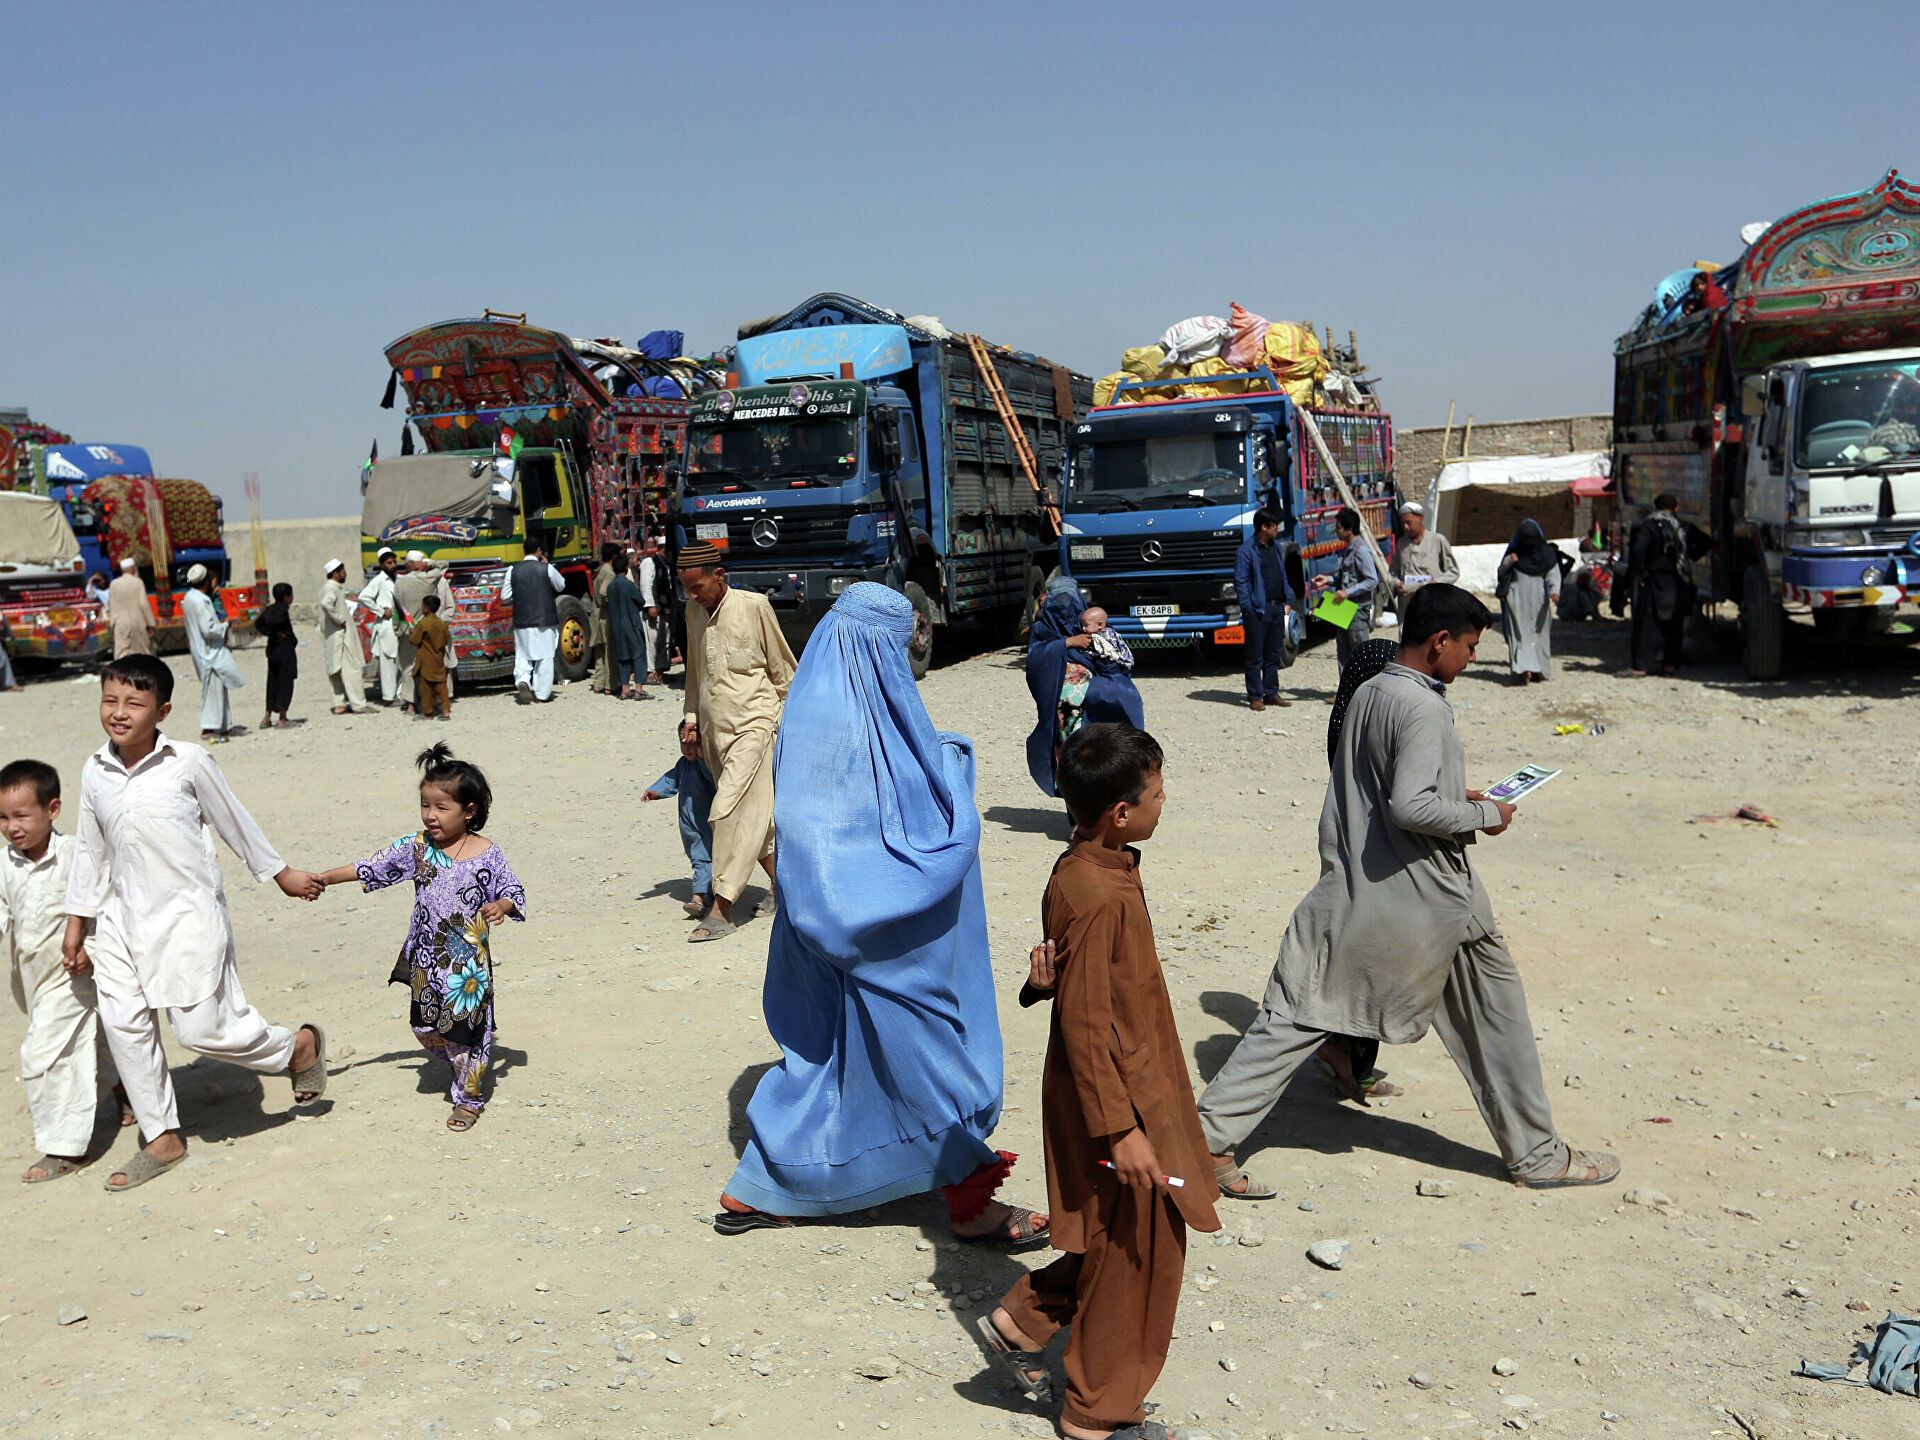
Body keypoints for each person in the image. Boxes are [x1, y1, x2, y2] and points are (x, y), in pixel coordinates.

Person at [1198, 585, 1619, 1199]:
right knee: (1495, 1025)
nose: (1473, 659)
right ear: (1440, 641)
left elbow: (1389, 787)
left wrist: (1460, 797)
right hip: (1427, 899)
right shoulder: (1422, 706)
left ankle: (1205, 1138)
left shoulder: (1371, 689)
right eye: (1470, 646)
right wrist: (1484, 817)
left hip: (1367, 893)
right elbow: (1409, 804)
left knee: (1298, 1011)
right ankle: (1539, 1156)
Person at [714, 583, 1048, 1248]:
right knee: (928, 1059)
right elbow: (848, 845)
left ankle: (761, 1188)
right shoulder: (843, 729)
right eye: (896, 647)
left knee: (826, 1069)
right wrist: (950, 815)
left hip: (823, 936)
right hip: (865, 935)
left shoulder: (819, 710)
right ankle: (972, 1201)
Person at [977, 724, 1219, 1440]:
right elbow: (1086, 1024)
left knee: (1115, 1235)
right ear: (1120, 812)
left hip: (1123, 1084)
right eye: (1157, 793)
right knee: (1137, 1250)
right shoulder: (1100, 893)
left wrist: (1038, 985)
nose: (1163, 802)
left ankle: (1023, 1322)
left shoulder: (1081, 867)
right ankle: (1097, 1412)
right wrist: (1122, 1129)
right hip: (1117, 1098)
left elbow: (1073, 981)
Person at [62, 654, 328, 1192]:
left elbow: (233, 819)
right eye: (110, 700)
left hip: (185, 916)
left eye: (134, 704)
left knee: (201, 1030)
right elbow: (90, 851)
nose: (119, 713)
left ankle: (296, 1048)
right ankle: (162, 1137)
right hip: (116, 921)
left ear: (161, 710)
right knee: (126, 1028)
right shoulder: (96, 769)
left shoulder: (188, 761)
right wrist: (77, 922)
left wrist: (278, 873)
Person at [317, 745, 523, 1131]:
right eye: (425, 805)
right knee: (426, 1028)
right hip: (427, 960)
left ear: (470, 810)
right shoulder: (417, 848)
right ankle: (465, 1063)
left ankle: (469, 1097)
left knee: (465, 1031)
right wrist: (326, 878)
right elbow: (370, 866)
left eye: (442, 808)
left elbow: (512, 888)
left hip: (468, 968)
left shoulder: (487, 854)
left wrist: (504, 906)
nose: (431, 815)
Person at [2, 758, 128, 1183]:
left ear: (52, 809)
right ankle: (127, 1089)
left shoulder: (77, 854)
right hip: (33, 981)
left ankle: (65, 1147)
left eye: (21, 815)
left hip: (76, 976)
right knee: (94, 1041)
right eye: (2, 817)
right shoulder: (6, 863)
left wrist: (90, 948)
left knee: (42, 1054)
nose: (11, 826)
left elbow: (107, 908)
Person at [677, 541, 794, 940]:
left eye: (697, 587)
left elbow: (783, 672)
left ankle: (722, 909)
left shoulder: (754, 607)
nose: (692, 595)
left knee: (726, 811)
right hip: (714, 733)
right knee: (756, 822)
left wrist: (795, 730)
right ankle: (787, 891)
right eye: (686, 588)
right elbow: (694, 673)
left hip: (756, 726)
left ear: (718, 576)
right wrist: (689, 721)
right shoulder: (693, 612)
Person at [1025, 583, 1143, 797]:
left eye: (1069, 602)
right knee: (1073, 764)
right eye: (1058, 602)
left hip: (1095, 714)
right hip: (1064, 719)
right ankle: (1079, 818)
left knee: (1101, 760)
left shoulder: (1095, 630)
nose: (1064, 608)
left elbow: (1115, 667)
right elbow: (1035, 660)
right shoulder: (1044, 630)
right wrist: (1066, 643)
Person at [1625, 493, 1709, 677]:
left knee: (1649, 623)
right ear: (1676, 507)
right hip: (1679, 580)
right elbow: (1707, 542)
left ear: (1655, 507)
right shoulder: (1683, 527)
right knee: (1674, 623)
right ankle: (1670, 664)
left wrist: (1641, 572)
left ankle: (1641, 666)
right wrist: (1689, 556)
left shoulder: (1649, 526)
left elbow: (1638, 549)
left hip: (1655, 580)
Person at [643, 729, 716, 919]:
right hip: (687, 824)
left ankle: (697, 899)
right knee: (698, 856)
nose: (688, 749)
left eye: (694, 745)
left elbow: (715, 780)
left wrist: (703, 759)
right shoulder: (682, 765)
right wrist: (656, 791)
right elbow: (671, 779)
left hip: (704, 823)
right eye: (684, 745)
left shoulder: (706, 766)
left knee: (702, 858)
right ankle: (709, 892)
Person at [1234, 507, 1295, 711]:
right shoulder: (1246, 550)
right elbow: (1241, 581)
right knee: (1254, 656)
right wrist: (1248, 608)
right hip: (1258, 611)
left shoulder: (1275, 547)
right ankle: (1255, 695)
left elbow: (1282, 574)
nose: (1277, 529)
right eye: (1274, 526)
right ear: (1263, 527)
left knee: (1273, 653)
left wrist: (1288, 598)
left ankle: (1271, 692)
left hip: (1277, 608)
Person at [1311, 507, 1379, 675]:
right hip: (1343, 609)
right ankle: (1346, 693)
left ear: (1349, 530)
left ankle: (1363, 694)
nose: (1336, 530)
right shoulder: (1346, 549)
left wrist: (1348, 593)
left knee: (1360, 655)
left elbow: (1372, 580)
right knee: (1344, 654)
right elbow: (1348, 576)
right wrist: (1329, 580)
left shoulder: (1361, 549)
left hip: (1357, 610)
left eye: (1339, 527)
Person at [182, 563, 245, 741]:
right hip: (209, 651)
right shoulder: (200, 601)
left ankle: (222, 726)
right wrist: (226, 625)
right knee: (214, 690)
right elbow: (209, 629)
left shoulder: (189, 597)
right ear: (205, 581)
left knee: (215, 688)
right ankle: (212, 728)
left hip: (203, 650)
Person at [1497, 519, 1563, 683]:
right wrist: (1509, 561)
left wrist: (1554, 591)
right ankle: (1521, 671)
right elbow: (1501, 572)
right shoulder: (1514, 552)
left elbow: (1553, 574)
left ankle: (1539, 671)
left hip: (1540, 600)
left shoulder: (1547, 554)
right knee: (1519, 634)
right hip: (1517, 598)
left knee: (1539, 634)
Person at [504, 538, 565, 704]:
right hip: (545, 619)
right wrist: (547, 565)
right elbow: (561, 586)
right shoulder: (547, 569)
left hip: (522, 619)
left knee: (523, 654)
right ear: (539, 551)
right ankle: (542, 694)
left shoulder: (512, 570)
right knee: (545, 656)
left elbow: (505, 596)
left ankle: (523, 679)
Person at [393, 551, 452, 714]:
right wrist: (428, 563)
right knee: (431, 667)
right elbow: (444, 564)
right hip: (429, 630)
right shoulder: (429, 577)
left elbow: (397, 609)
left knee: (408, 668)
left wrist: (397, 630)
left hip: (408, 631)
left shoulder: (400, 583)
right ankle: (437, 704)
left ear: (409, 564)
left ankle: (411, 705)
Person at [318, 559, 371, 715]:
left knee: (335, 670)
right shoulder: (331, 589)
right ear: (336, 573)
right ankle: (358, 704)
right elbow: (326, 604)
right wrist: (340, 619)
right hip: (341, 636)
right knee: (352, 669)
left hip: (332, 636)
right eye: (343, 571)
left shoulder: (327, 588)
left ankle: (339, 704)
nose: (345, 574)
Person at [605, 552, 652, 700]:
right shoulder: (628, 584)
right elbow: (641, 601)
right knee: (638, 655)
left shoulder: (611, 586)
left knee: (622, 657)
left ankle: (625, 688)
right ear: (626, 567)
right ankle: (638, 689)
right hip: (631, 624)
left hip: (616, 626)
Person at [255, 582, 300, 730]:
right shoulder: (281, 610)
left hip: (273, 650)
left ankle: (267, 716)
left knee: (272, 682)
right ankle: (282, 718)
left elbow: (259, 623)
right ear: (287, 597)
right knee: (285, 682)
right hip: (284, 650)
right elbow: (275, 623)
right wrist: (279, 633)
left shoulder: (269, 609)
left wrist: (271, 634)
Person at [359, 547, 402, 705]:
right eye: (389, 563)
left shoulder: (395, 579)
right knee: (388, 662)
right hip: (386, 625)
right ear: (382, 565)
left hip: (397, 624)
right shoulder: (378, 580)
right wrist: (381, 611)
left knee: (399, 661)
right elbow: (364, 597)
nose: (393, 565)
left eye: (394, 562)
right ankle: (389, 697)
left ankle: (399, 694)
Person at [1390, 502, 1459, 597]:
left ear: (1420, 519)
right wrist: (1397, 584)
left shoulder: (1438, 541)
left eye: (1408, 522)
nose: (1405, 527)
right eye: (1403, 523)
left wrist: (1436, 583)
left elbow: (1453, 572)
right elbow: (1393, 573)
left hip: (1433, 601)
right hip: (1409, 603)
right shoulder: (1401, 544)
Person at [411, 594, 453, 720]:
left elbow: (414, 640)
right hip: (438, 659)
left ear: (426, 608)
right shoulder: (441, 624)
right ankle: (445, 711)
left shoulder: (423, 623)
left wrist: (412, 633)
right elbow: (446, 639)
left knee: (426, 688)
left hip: (426, 661)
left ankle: (427, 713)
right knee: (441, 686)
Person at [107, 557, 154, 660]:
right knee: (142, 653)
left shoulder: (114, 584)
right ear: (133, 568)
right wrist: (150, 624)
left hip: (120, 623)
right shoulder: (137, 582)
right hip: (137, 621)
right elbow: (144, 604)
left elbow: (110, 605)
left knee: (121, 654)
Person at [590, 541, 620, 694]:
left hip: (596, 614)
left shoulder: (600, 571)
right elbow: (603, 592)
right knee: (609, 652)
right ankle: (610, 684)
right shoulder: (610, 573)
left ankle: (598, 683)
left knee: (599, 652)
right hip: (605, 615)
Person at [637, 543, 670, 683]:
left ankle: (660, 670)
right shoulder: (649, 562)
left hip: (666, 608)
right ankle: (650, 672)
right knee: (652, 641)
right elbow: (646, 585)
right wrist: (650, 605)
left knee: (664, 641)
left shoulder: (667, 563)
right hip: (654, 608)